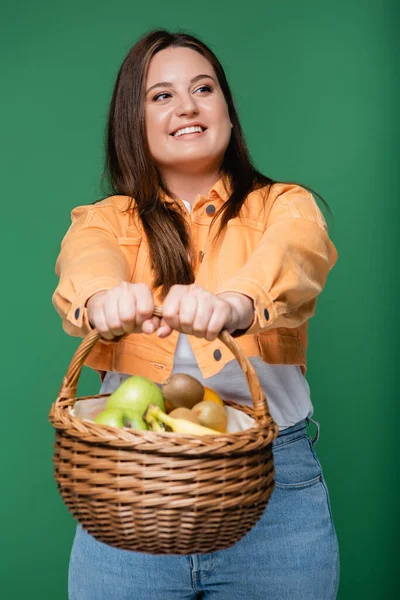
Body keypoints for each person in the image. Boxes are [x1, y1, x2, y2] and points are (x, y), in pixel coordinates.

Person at [52, 29, 340, 600]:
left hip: (274, 491)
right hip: (129, 489)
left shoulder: (286, 206)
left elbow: (298, 255)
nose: (186, 106)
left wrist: (235, 303)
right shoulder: (106, 219)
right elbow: (86, 260)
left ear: (227, 111)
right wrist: (103, 296)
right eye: (161, 96)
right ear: (132, 121)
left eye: (203, 88)